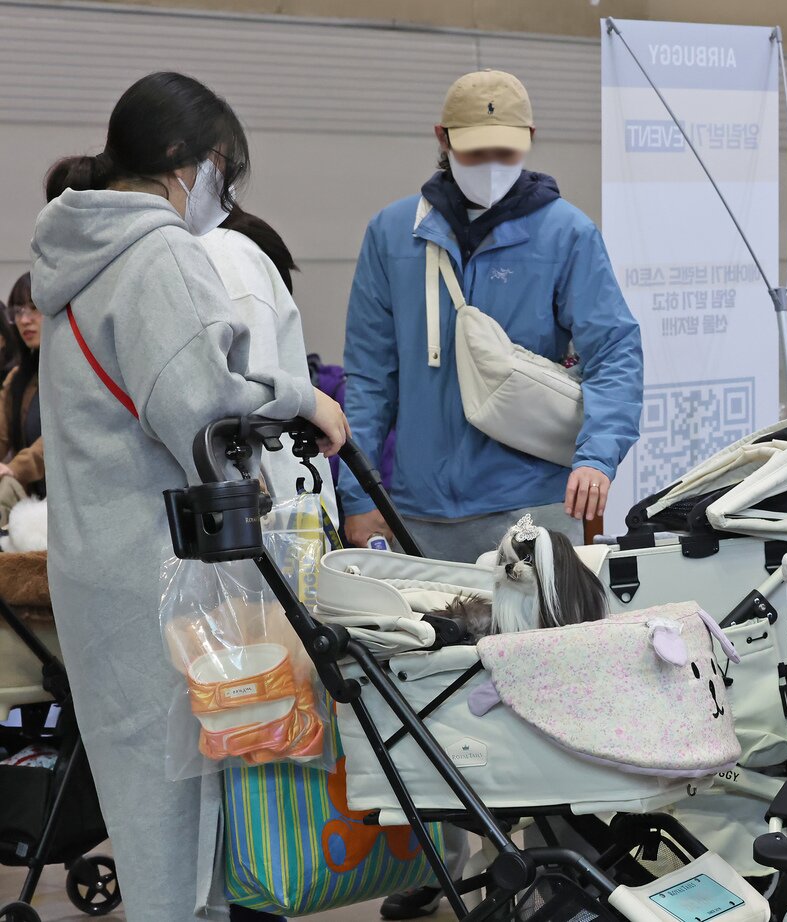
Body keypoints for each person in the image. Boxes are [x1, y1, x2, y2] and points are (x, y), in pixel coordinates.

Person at [30, 71, 347, 922]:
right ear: (182, 160)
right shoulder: (158, 252)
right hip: (167, 580)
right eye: (222, 170)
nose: (223, 191)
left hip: (98, 571)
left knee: (148, 808)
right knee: (193, 814)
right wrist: (303, 399)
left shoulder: (73, 255)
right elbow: (202, 411)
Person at [340, 69, 642, 565]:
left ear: (530, 138)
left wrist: (597, 456)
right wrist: (357, 495)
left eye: (506, 151)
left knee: (540, 620)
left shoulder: (567, 233)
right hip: (419, 513)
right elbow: (370, 377)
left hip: (534, 505)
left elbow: (614, 352)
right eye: (476, 152)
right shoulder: (392, 233)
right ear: (442, 138)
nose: (492, 166)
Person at [200, 206, 337, 523]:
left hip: (270, 509)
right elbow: (255, 402)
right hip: (271, 511)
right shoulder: (231, 255)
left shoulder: (224, 254)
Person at [0, 273, 44, 509]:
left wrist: (14, 469)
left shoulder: (76, 375)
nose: (24, 320)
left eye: (34, 308)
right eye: (17, 311)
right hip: (31, 504)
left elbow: (59, 440)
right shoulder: (17, 378)